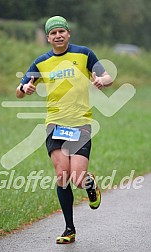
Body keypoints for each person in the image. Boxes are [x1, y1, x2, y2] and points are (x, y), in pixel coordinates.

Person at [16, 16, 113, 244]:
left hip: (80, 123)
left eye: (61, 31)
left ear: (68, 33)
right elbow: (19, 90)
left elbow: (107, 76)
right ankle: (69, 229)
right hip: (55, 125)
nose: (58, 36)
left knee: (78, 178)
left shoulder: (84, 54)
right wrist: (25, 87)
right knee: (62, 176)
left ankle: (90, 184)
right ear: (48, 38)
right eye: (53, 33)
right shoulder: (41, 62)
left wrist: (102, 81)